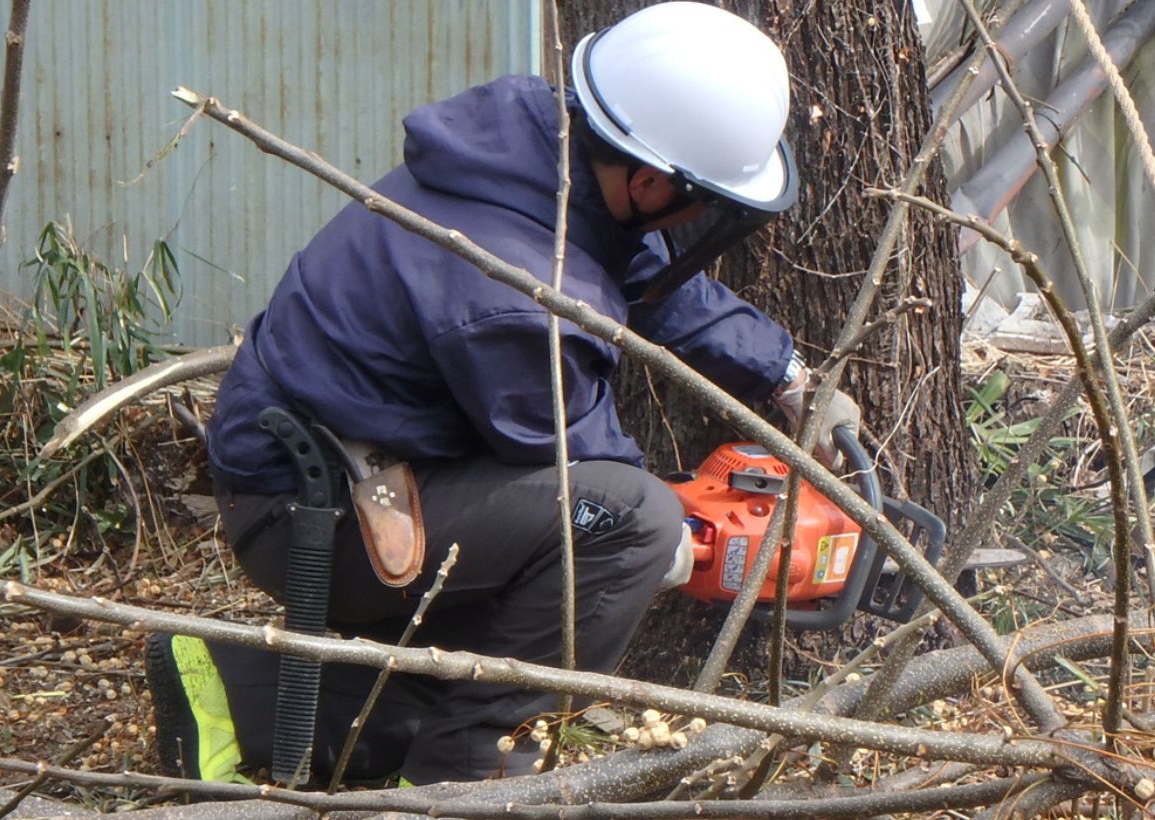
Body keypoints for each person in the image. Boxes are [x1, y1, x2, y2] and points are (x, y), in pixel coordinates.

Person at [145, 1, 860, 787]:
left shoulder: (540, 150)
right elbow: (583, 476)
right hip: (312, 514)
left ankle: (224, 683)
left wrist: (788, 376)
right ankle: (465, 786)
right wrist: (692, 539)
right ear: (652, 180)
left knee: (474, 659)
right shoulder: (516, 295)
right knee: (630, 530)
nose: (697, 221)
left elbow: (642, 265)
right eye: (702, 200)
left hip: (356, 466)